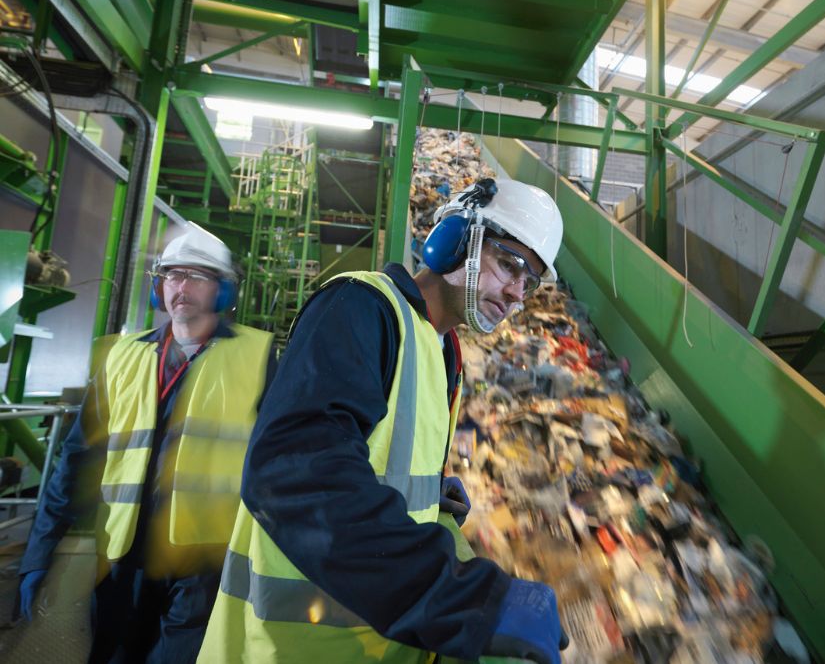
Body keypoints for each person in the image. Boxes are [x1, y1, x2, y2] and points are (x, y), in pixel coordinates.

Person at [197, 178, 569, 664]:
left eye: (530, 281)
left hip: (375, 644)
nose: (518, 293)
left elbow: (365, 453)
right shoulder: (360, 308)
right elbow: (296, 474)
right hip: (292, 647)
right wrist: (463, 598)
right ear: (454, 241)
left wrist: (423, 496)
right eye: (510, 265)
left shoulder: (442, 350)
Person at [17, 223, 276, 663]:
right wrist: (39, 551)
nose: (182, 286)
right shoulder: (124, 355)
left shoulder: (257, 357)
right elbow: (77, 457)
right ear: (160, 286)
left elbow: (275, 462)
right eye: (173, 274)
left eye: (197, 276)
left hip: (203, 559)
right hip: (123, 555)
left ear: (224, 291)